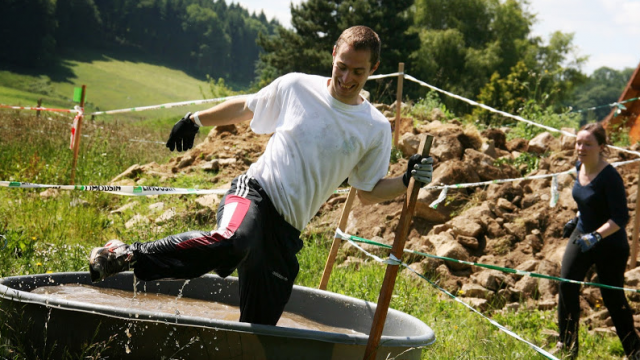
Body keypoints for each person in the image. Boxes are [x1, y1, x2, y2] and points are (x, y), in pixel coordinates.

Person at [88, 25, 433, 326]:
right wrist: (196, 120)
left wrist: (406, 180)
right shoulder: (297, 87)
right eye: (341, 66)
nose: (346, 79)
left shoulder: (374, 128)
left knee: (260, 328)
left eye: (357, 72)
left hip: (286, 232)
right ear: (332, 54)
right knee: (232, 240)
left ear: (374, 68)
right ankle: (126, 253)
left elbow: (369, 190)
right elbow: (247, 106)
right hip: (254, 193)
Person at [555, 122, 640, 359]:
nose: (581, 147)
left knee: (612, 297)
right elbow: (588, 202)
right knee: (566, 285)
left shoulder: (610, 176)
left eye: (587, 144)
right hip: (582, 234)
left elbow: (621, 217)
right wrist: (577, 219)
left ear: (601, 147)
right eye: (578, 142)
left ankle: (634, 350)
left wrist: (597, 236)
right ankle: (568, 346)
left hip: (610, 243)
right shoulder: (579, 165)